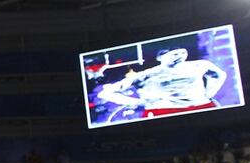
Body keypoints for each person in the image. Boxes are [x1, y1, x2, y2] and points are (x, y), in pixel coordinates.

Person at [97, 47, 227, 119]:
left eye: (182, 52)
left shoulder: (200, 65)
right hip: (162, 112)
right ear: (161, 57)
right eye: (175, 53)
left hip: (200, 107)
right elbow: (105, 93)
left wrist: (210, 93)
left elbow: (219, 74)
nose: (180, 55)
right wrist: (137, 102)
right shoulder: (146, 74)